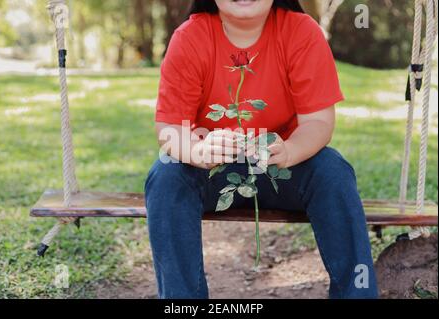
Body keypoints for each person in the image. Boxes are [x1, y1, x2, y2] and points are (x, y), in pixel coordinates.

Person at [145, 0, 378, 299]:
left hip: (282, 166)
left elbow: (319, 121)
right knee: (165, 174)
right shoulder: (189, 37)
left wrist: (291, 150)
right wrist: (197, 151)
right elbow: (169, 130)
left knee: (333, 170)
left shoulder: (302, 32)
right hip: (211, 170)